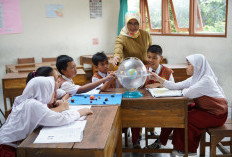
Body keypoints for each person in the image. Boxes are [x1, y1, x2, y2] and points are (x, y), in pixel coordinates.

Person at [147, 54, 228, 156]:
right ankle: (162, 140)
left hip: (216, 114)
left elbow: (187, 93)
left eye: (189, 64)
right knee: (177, 112)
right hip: (205, 109)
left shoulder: (206, 80)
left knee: (185, 118)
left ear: (197, 66)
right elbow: (176, 86)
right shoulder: (196, 78)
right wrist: (158, 79)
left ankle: (188, 149)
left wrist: (181, 89)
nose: (186, 67)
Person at [0, 77, 92, 157]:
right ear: (44, 91)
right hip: (6, 150)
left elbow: (50, 115)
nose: (54, 94)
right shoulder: (33, 105)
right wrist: (80, 112)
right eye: (51, 90)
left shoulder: (29, 102)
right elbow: (60, 119)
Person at [143, 44, 175, 148]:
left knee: (171, 116)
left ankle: (160, 141)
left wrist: (159, 84)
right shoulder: (143, 70)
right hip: (144, 105)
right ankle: (135, 142)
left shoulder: (168, 72)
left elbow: (174, 88)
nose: (150, 60)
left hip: (162, 106)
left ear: (161, 58)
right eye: (148, 57)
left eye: (154, 58)